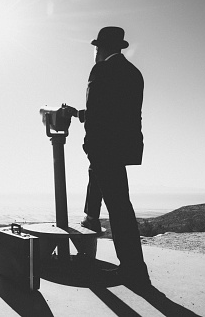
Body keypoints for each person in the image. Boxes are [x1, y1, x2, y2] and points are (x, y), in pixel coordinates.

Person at [62, 26, 151, 289]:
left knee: (120, 208)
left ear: (101, 48)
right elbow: (116, 111)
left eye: (96, 48)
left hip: (105, 147)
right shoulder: (134, 73)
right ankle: (91, 216)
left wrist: (89, 145)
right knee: (114, 196)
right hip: (123, 147)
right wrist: (80, 113)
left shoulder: (100, 70)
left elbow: (99, 114)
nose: (95, 52)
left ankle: (134, 269)